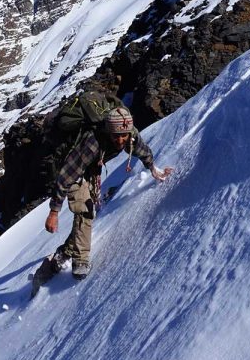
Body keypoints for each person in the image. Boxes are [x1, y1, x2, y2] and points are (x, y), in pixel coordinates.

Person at [41, 105, 173, 280]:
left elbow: (141, 150)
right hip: (70, 168)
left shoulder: (129, 133)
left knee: (88, 211)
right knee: (84, 209)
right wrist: (54, 211)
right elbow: (66, 176)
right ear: (108, 131)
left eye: (124, 135)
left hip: (89, 168)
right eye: (116, 136)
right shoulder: (92, 143)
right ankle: (80, 261)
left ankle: (65, 252)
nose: (120, 140)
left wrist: (153, 168)